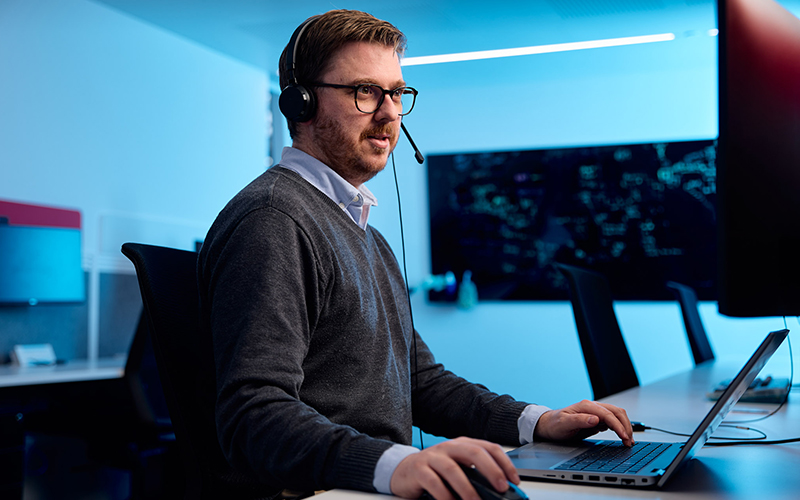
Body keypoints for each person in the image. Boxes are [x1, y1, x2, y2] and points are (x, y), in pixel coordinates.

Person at [197, 9, 634, 500]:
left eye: (397, 93)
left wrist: (538, 422)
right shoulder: (274, 219)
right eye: (365, 91)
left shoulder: (367, 236)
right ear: (302, 103)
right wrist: (395, 464)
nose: (390, 114)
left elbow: (421, 383)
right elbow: (252, 414)